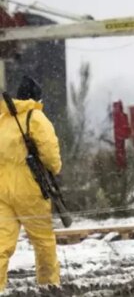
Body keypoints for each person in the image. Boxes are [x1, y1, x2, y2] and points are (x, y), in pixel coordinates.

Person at [0, 76, 62, 292]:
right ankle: (49, 286)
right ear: (36, 97)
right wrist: (55, 170)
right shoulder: (36, 118)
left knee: (1, 243)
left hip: (2, 191)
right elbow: (50, 155)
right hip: (30, 187)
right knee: (43, 241)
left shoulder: (3, 119)